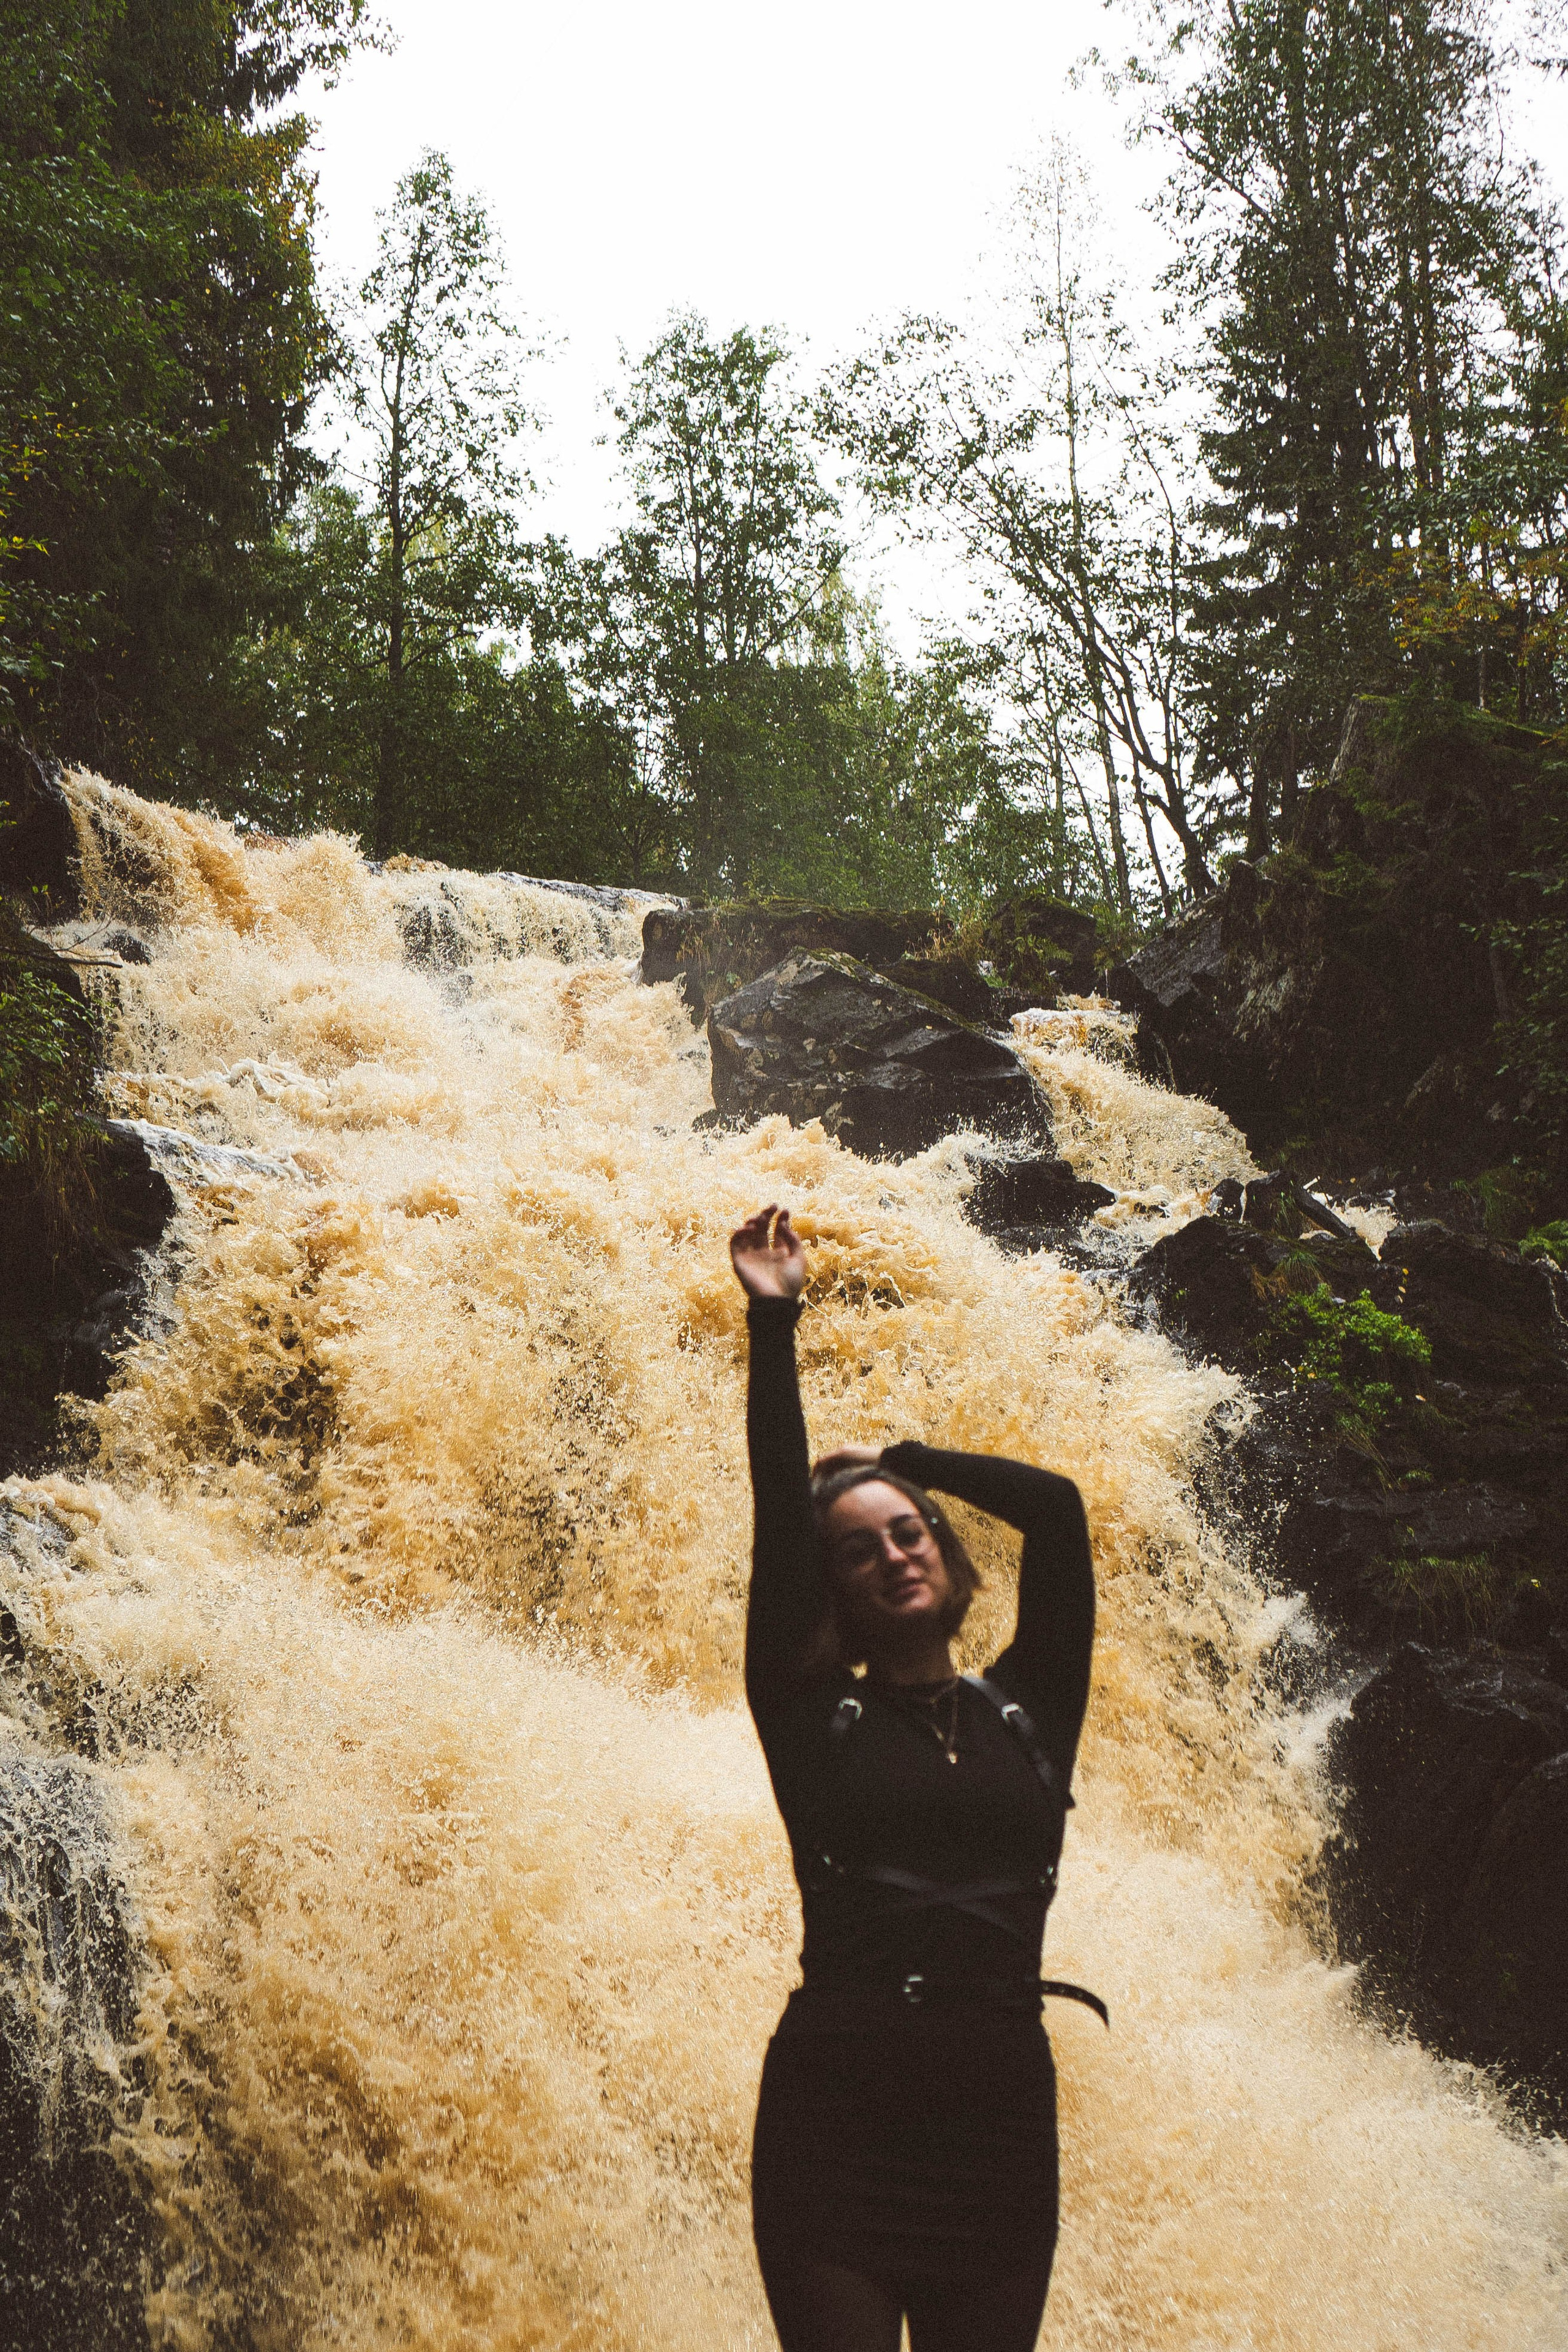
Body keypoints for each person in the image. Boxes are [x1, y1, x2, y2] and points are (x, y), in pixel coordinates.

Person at [729, 1202, 1098, 2352]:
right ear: (829, 1589)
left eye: (909, 1533)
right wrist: (774, 1327)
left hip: (997, 2126)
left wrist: (902, 1465)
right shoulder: (809, 1717)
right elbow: (774, 1515)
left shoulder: (1033, 1705)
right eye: (859, 1548)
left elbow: (1059, 1511)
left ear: (943, 1548)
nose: (893, 1555)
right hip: (839, 2119)